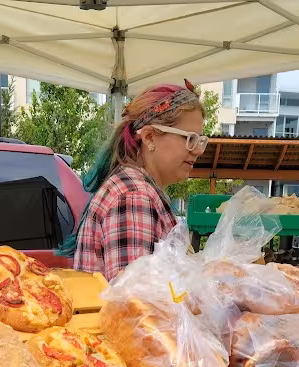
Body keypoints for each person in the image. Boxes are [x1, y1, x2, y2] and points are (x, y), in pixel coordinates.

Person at [59, 81, 208, 280]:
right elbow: (133, 303)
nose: (198, 151)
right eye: (190, 138)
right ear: (149, 137)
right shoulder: (134, 197)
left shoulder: (138, 189)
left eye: (200, 141)